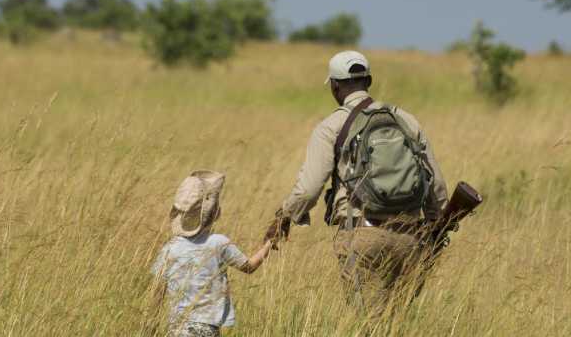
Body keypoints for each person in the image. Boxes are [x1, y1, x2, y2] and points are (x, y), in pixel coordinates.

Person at [264, 50, 448, 317]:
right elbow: (436, 186)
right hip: (410, 238)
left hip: (361, 235)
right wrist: (434, 230)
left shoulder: (330, 126)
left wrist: (284, 216)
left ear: (335, 86)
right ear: (369, 81)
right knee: (398, 325)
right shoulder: (406, 120)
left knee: (367, 324)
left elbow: (308, 189)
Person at [152, 170, 274, 337]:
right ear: (214, 214)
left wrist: (151, 327)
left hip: (176, 329)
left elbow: (157, 293)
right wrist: (269, 243)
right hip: (208, 329)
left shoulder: (169, 248)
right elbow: (249, 266)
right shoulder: (218, 242)